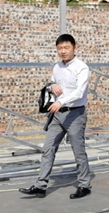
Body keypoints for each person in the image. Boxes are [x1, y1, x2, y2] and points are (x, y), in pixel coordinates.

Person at [19, 34, 92, 199]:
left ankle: (84, 185)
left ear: (75, 47)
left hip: (75, 114)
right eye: (60, 48)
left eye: (66, 48)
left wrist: (61, 101)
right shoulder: (57, 67)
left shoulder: (82, 68)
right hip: (57, 114)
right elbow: (52, 82)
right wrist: (52, 86)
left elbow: (79, 92)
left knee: (78, 151)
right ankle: (40, 186)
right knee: (48, 149)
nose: (63, 51)